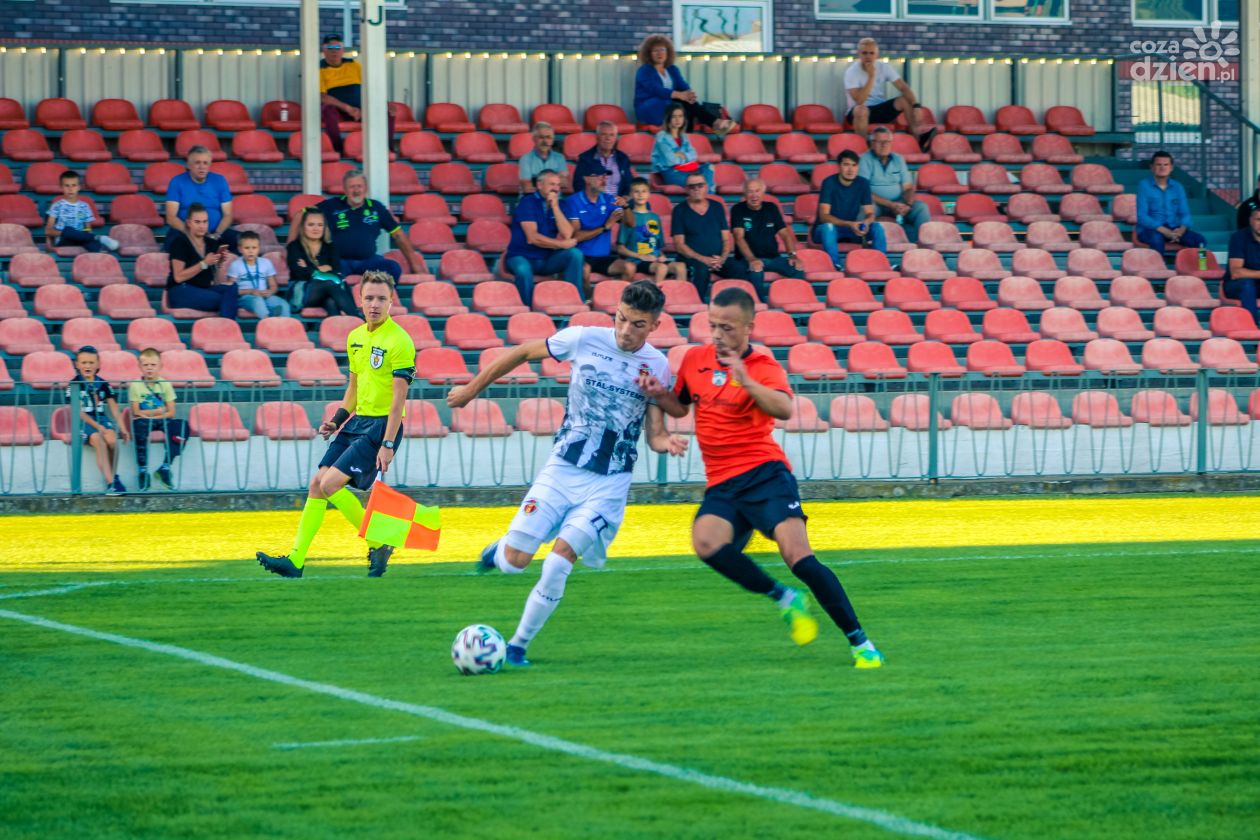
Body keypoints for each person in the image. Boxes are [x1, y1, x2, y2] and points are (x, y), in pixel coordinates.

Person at [646, 287, 885, 669]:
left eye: (727, 327)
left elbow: (785, 408)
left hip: (765, 475)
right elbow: (680, 407)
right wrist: (659, 394)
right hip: (723, 482)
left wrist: (746, 380)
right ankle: (785, 598)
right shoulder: (695, 359)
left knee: (799, 559)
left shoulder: (762, 366)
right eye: (713, 325)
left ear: (748, 328)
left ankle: (861, 643)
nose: (717, 334)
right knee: (706, 542)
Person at [448, 281, 685, 666]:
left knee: (558, 562)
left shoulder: (657, 366)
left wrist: (667, 442)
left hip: (608, 483)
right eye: (621, 319)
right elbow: (523, 352)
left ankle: (517, 646)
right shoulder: (583, 338)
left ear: (655, 325)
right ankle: (499, 552)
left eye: (638, 324)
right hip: (562, 469)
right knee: (515, 562)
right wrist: (471, 390)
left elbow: (656, 433)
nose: (626, 330)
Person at [257, 271, 416, 579]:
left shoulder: (400, 341)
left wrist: (387, 443)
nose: (374, 304)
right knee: (317, 484)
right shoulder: (355, 337)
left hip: (382, 425)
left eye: (381, 298)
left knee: (330, 484)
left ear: (391, 301)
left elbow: (399, 400)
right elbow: (353, 388)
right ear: (360, 301)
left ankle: (378, 542)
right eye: (369, 298)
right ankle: (296, 561)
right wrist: (337, 420)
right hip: (357, 422)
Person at [291, 169, 422, 283]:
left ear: (366, 188)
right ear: (345, 189)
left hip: (369, 261)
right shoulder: (332, 205)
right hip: (338, 261)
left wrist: (415, 265)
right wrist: (291, 249)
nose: (356, 190)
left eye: (359, 186)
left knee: (392, 268)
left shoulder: (376, 208)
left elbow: (398, 235)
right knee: (324, 276)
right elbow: (300, 214)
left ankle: (381, 301)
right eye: (352, 187)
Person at [504, 170, 585, 306]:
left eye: (558, 185)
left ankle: (576, 302)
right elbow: (532, 238)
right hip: (521, 256)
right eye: (552, 184)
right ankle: (527, 310)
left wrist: (555, 207)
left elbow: (567, 234)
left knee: (575, 254)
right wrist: (560, 245)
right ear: (540, 185)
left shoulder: (560, 204)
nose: (556, 189)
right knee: (523, 270)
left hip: (546, 259)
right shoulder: (527, 202)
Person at [634, 34, 734, 136]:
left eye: (662, 49)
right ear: (649, 53)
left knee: (687, 105)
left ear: (668, 52)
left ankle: (690, 135)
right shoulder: (644, 71)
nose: (659, 53)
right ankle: (713, 124)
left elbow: (683, 85)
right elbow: (656, 90)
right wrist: (680, 95)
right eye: (655, 50)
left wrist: (689, 95)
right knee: (681, 105)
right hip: (650, 108)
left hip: (670, 106)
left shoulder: (672, 69)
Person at [671, 172, 746, 302]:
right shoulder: (679, 210)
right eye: (692, 186)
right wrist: (703, 259)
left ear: (706, 186)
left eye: (700, 185)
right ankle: (696, 307)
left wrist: (722, 259)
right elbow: (679, 245)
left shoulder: (717, 207)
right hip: (692, 259)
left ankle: (735, 306)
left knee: (740, 269)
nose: (696, 189)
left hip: (717, 259)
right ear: (686, 189)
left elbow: (726, 239)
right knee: (701, 270)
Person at [845, 37, 932, 148]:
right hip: (857, 113)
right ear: (859, 54)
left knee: (904, 100)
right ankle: (863, 147)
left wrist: (916, 105)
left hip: (879, 109)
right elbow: (859, 100)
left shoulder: (883, 67)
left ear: (877, 55)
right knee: (861, 110)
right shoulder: (851, 72)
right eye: (864, 53)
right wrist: (871, 77)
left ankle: (918, 139)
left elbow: (903, 87)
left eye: (871, 53)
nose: (868, 56)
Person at [729, 179, 805, 300]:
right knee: (756, 270)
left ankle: (792, 302)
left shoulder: (771, 208)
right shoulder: (737, 209)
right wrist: (752, 259)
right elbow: (739, 237)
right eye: (750, 191)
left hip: (773, 258)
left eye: (757, 191)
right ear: (745, 194)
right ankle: (760, 306)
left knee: (797, 268)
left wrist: (793, 255)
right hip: (747, 259)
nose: (754, 195)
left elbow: (785, 234)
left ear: (763, 192)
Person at [318, 35, 394, 155]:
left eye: (337, 47)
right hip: (339, 110)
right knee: (328, 109)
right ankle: (338, 150)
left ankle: (386, 149)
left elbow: (370, 88)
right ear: (324, 49)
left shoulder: (354, 65)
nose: (334, 51)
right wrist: (348, 108)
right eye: (330, 47)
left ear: (343, 50)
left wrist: (382, 103)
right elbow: (323, 97)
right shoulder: (319, 68)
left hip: (360, 108)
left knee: (387, 110)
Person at [68, 346, 129, 496]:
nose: (87, 366)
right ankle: (110, 484)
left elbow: (114, 408)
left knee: (112, 440)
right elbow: (78, 412)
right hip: (84, 422)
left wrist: (123, 428)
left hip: (101, 418)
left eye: (91, 362)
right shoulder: (74, 384)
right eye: (84, 363)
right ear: (77, 364)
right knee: (98, 440)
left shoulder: (103, 383)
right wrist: (98, 427)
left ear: (98, 364)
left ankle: (114, 476)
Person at [564, 158, 634, 284]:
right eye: (599, 176)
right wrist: (605, 227)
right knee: (584, 270)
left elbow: (630, 224)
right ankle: (586, 297)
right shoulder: (573, 201)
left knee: (629, 267)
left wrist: (626, 206)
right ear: (586, 179)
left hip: (604, 257)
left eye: (605, 176)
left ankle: (618, 297)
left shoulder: (608, 199)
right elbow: (575, 236)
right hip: (582, 256)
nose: (604, 180)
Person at [129, 347, 190, 492]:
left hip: (161, 419)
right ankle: (143, 471)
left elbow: (171, 412)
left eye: (153, 365)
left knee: (182, 427)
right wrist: (159, 410)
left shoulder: (165, 384)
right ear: (140, 366)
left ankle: (165, 467)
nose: (149, 368)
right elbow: (136, 412)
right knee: (139, 426)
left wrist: (152, 414)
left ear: (160, 366)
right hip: (145, 420)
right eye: (146, 365)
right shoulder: (135, 385)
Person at [166, 203, 239, 318]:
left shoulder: (211, 243)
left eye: (205, 222)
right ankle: (228, 327)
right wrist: (204, 263)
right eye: (197, 222)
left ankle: (225, 326)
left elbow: (216, 281)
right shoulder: (180, 242)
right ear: (188, 223)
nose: (202, 226)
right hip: (181, 290)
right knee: (225, 300)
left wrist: (218, 263)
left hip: (204, 289)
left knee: (232, 288)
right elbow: (178, 277)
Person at [816, 150, 885, 271]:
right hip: (827, 230)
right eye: (846, 164)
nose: (850, 169)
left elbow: (870, 213)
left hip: (851, 229)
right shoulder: (829, 182)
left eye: (854, 165)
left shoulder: (863, 183)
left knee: (877, 226)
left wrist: (866, 223)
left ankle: (881, 265)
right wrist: (849, 224)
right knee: (828, 227)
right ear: (839, 166)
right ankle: (835, 267)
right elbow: (824, 216)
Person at [859, 126, 930, 244]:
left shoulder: (898, 159)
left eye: (887, 142)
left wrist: (907, 204)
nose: (884, 145)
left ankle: (920, 247)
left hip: (898, 202)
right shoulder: (864, 159)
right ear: (872, 143)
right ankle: (866, 246)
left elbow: (908, 187)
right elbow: (864, 191)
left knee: (921, 208)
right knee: (865, 209)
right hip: (875, 203)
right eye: (880, 142)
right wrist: (891, 205)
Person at [165, 145, 238, 252]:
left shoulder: (220, 180)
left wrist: (216, 234)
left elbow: (228, 215)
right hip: (185, 233)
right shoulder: (177, 182)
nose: (202, 167)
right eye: (197, 163)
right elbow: (171, 218)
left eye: (205, 163)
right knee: (176, 243)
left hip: (214, 233)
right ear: (189, 165)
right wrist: (191, 235)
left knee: (239, 240)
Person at [286, 208, 357, 316]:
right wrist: (324, 268)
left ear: (324, 227)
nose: (316, 229)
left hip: (326, 292)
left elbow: (336, 271)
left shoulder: (330, 247)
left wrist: (309, 268)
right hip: (301, 293)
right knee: (330, 283)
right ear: (303, 227)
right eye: (311, 225)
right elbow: (299, 273)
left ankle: (341, 326)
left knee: (331, 302)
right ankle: (361, 320)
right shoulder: (294, 247)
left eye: (320, 225)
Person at [1136, 151, 1207, 257]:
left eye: (1166, 164)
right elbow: (1142, 216)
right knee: (1156, 239)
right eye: (1158, 164)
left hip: (1173, 228)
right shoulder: (1144, 186)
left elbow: (1185, 213)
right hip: (1150, 230)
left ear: (1171, 167)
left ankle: (1202, 265)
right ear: (1152, 167)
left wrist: (1181, 230)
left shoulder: (1178, 187)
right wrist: (1164, 231)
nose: (1162, 167)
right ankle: (1158, 267)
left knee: (1200, 241)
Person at [617, 177, 686, 283]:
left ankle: (679, 294)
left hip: (655, 260)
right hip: (638, 261)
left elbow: (656, 245)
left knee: (680, 267)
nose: (640, 195)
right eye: (636, 191)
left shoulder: (655, 217)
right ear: (631, 194)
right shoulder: (629, 217)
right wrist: (640, 256)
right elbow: (620, 248)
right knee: (661, 268)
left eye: (644, 191)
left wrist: (662, 256)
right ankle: (655, 293)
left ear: (649, 194)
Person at [45, 170, 118, 253]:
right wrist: (64, 233)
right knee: (68, 230)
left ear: (79, 187)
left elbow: (87, 228)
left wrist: (84, 233)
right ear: (61, 187)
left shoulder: (84, 206)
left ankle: (100, 249)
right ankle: (97, 238)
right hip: (64, 240)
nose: (70, 189)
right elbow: (48, 231)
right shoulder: (56, 206)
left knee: (89, 243)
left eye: (74, 185)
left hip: (81, 239)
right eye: (67, 186)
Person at [652, 102, 714, 192]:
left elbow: (694, 155)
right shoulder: (661, 137)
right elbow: (671, 161)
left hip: (687, 170)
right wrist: (685, 157)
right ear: (668, 118)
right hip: (672, 172)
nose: (678, 120)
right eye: (674, 117)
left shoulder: (683, 136)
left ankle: (707, 193)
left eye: (680, 116)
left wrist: (681, 155)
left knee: (708, 167)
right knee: (699, 183)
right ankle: (710, 195)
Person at [228, 230, 290, 319]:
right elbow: (231, 290)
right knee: (257, 301)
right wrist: (250, 291)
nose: (251, 251)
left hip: (264, 296)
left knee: (283, 304)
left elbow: (273, 285)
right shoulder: (236, 265)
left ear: (259, 248)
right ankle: (268, 323)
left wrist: (270, 291)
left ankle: (283, 326)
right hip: (246, 297)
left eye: (254, 248)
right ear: (240, 249)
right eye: (247, 248)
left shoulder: (266, 263)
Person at [576, 121, 635, 199]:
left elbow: (629, 184)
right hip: (594, 202)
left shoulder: (623, 158)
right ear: (597, 137)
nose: (608, 138)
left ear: (616, 138)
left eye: (612, 135)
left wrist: (624, 199)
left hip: (617, 203)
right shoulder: (585, 158)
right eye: (604, 134)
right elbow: (578, 185)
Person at [1224, 207, 1260, 323]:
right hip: (1236, 285)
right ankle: (1252, 325)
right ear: (1251, 221)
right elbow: (1236, 272)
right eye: (1258, 219)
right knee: (1247, 283)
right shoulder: (1239, 238)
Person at [518, 122, 569, 194]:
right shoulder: (525, 159)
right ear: (534, 139)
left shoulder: (560, 158)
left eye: (548, 137)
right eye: (541, 137)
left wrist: (540, 182)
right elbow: (527, 187)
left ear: (552, 140)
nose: (545, 141)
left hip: (554, 198)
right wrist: (553, 182)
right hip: (533, 198)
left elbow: (564, 183)